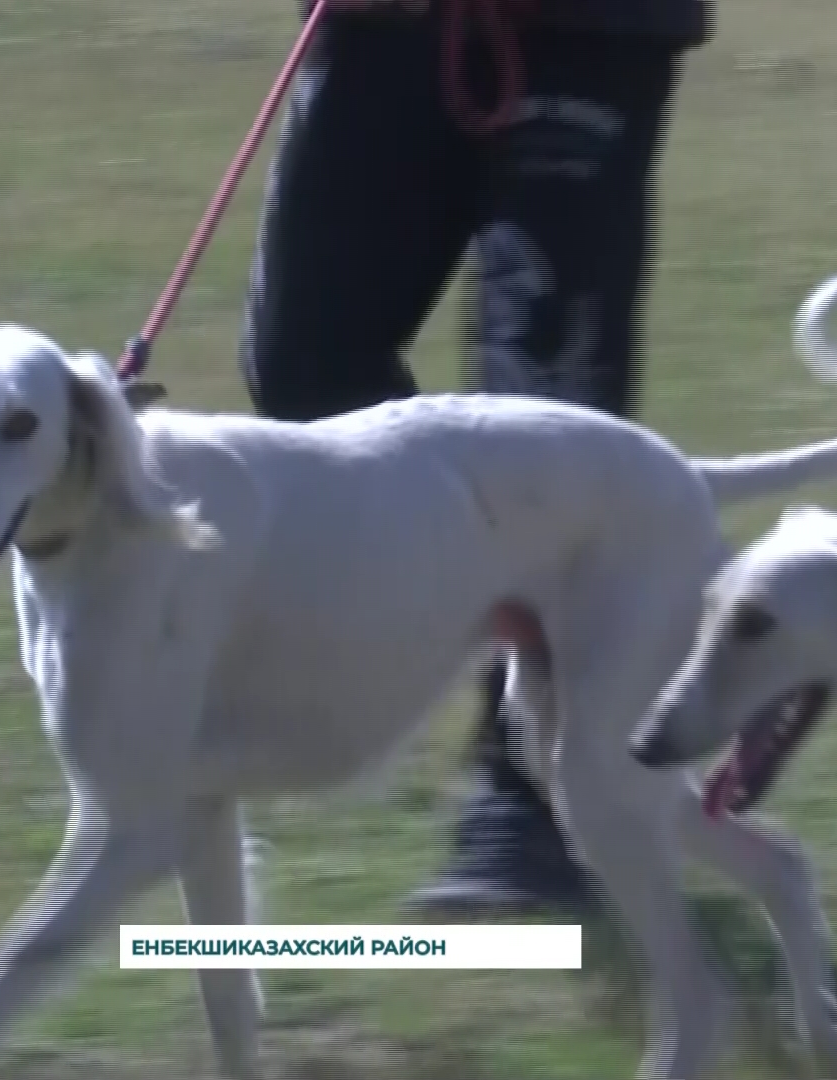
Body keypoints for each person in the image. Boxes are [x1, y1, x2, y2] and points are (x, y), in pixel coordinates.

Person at [239, 0, 710, 915]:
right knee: (304, 361)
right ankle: (427, 643)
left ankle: (529, 802)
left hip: (588, 32)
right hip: (383, 24)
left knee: (543, 400)